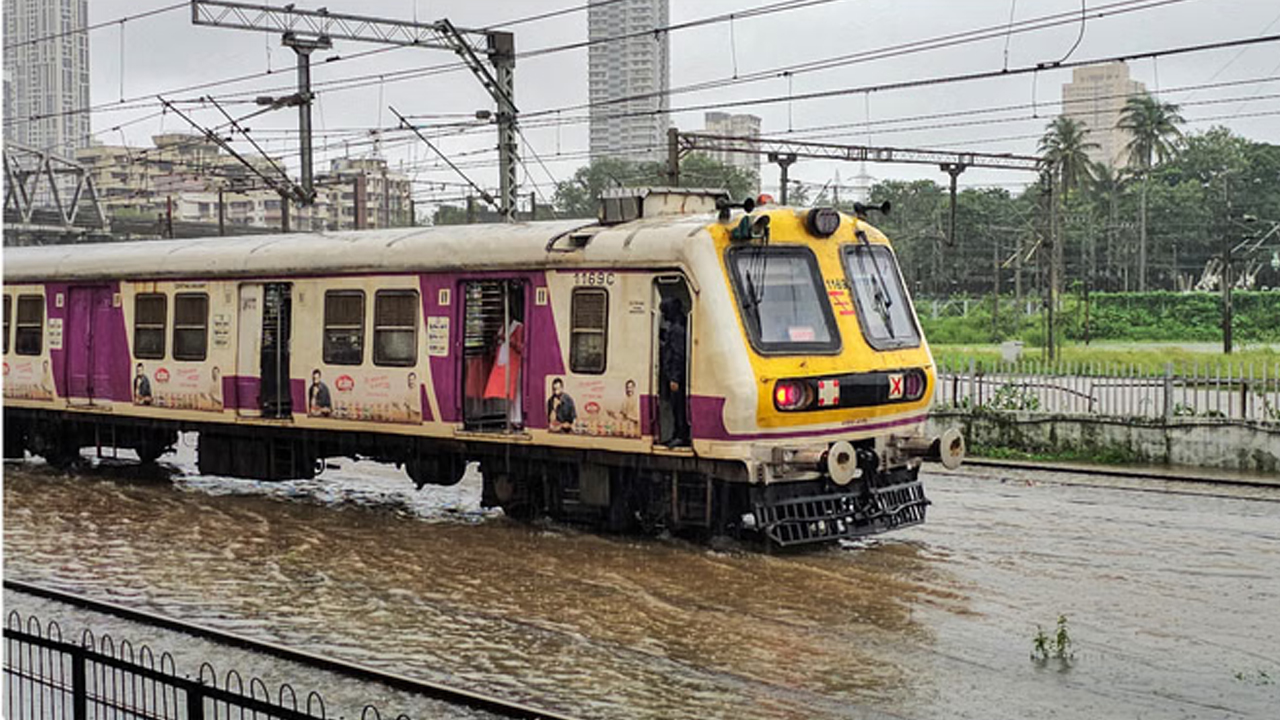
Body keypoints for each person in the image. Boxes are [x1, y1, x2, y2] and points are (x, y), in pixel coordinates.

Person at [659, 297, 689, 446]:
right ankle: (678, 433)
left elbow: (678, 354)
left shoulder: (676, 330)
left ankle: (680, 434)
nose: (664, 316)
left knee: (678, 406)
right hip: (676, 374)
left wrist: (674, 378)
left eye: (665, 312)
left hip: (676, 376)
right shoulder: (679, 325)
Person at [484, 317, 525, 426]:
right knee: (504, 392)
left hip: (515, 364)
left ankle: (517, 419)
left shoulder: (519, 327)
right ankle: (509, 417)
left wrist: (510, 341)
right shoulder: (502, 327)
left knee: (515, 393)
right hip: (502, 364)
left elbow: (521, 347)